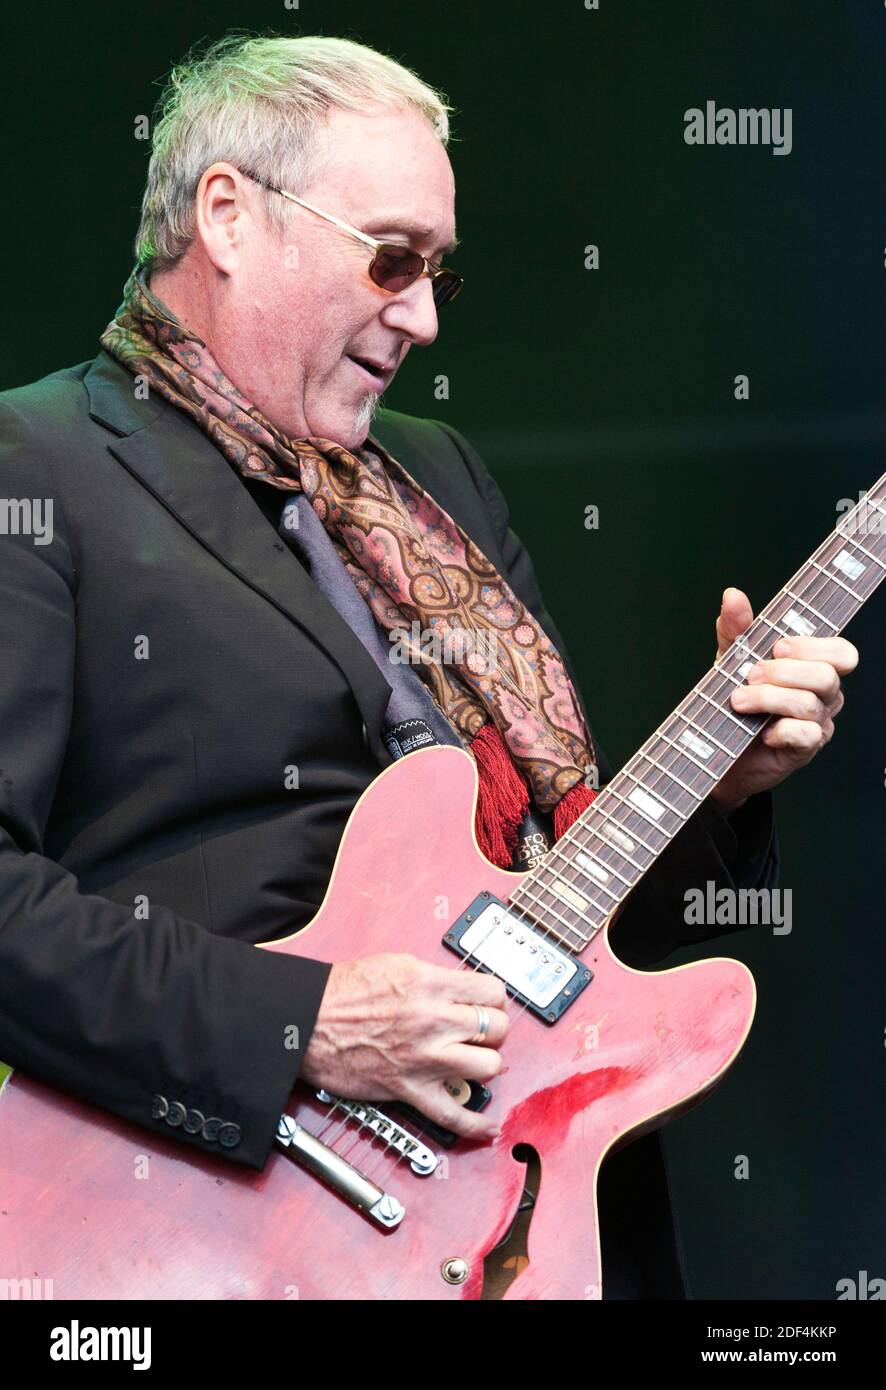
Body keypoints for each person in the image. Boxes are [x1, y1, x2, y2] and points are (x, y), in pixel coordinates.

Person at [0, 33, 855, 1299]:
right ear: (228, 214)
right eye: (391, 258)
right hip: (206, 1226)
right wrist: (304, 1025)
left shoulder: (437, 475)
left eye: (437, 269)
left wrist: (719, 792)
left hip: (511, 1217)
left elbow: (560, 921)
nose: (425, 313)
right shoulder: (39, 464)